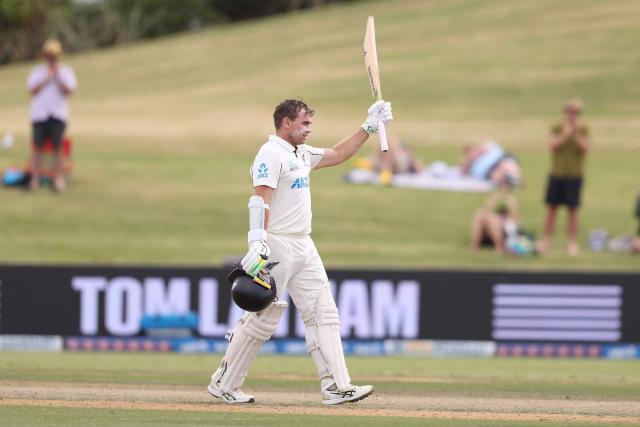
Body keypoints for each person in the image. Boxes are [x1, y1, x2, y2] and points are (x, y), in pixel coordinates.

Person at [207, 99, 393, 405]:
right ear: (285, 122)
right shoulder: (271, 153)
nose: (308, 130)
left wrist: (369, 126)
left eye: (310, 124)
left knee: (323, 312)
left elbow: (338, 153)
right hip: (276, 243)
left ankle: (335, 386)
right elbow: (260, 199)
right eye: (304, 124)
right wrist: (258, 241)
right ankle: (224, 383)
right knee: (263, 317)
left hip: (304, 244)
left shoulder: (301, 154)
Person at [538, 99, 590, 256]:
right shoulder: (558, 127)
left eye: (575, 113)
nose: (572, 115)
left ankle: (572, 243)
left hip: (575, 175)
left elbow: (585, 148)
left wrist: (575, 133)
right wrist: (565, 134)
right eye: (569, 112)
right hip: (557, 174)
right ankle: (546, 240)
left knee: (573, 210)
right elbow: (552, 146)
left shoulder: (583, 129)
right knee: (551, 208)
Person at [27, 39, 77, 192]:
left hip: (58, 114)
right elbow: (32, 90)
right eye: (48, 55)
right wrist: (46, 78)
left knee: (58, 148)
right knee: (37, 148)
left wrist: (57, 77)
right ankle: (34, 180)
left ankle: (58, 179)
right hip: (39, 115)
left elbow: (69, 91)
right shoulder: (37, 72)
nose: (51, 58)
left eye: (54, 56)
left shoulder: (66, 72)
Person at [470, 178, 519, 253]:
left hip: (505, 232)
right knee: (479, 215)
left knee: (492, 220)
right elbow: (485, 209)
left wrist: (506, 195)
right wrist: (497, 195)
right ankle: (475, 244)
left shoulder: (511, 199)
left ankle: (499, 247)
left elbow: (514, 218)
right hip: (490, 230)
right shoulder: (496, 196)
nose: (503, 187)